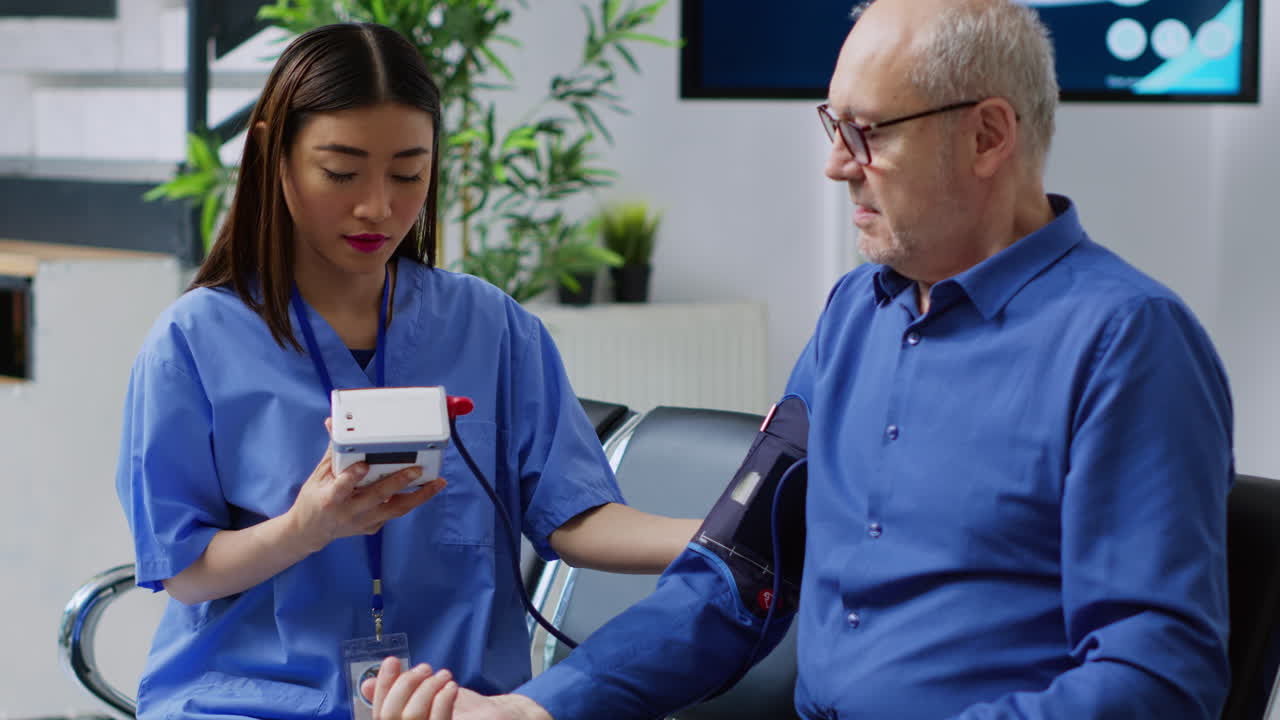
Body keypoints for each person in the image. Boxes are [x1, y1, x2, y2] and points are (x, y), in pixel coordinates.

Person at [366, 0, 1236, 718]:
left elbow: (1154, 674)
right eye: (833, 127)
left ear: (987, 136)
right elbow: (738, 574)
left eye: (865, 133)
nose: (833, 167)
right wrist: (543, 708)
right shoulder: (854, 316)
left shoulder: (1127, 342)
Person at [114, 22, 700, 720]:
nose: (377, 207)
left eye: (407, 173)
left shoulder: (492, 328)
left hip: (454, 705)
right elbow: (185, 572)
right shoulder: (192, 343)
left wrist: (728, 537)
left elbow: (575, 519)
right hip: (249, 703)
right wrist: (306, 526)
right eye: (341, 172)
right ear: (275, 154)